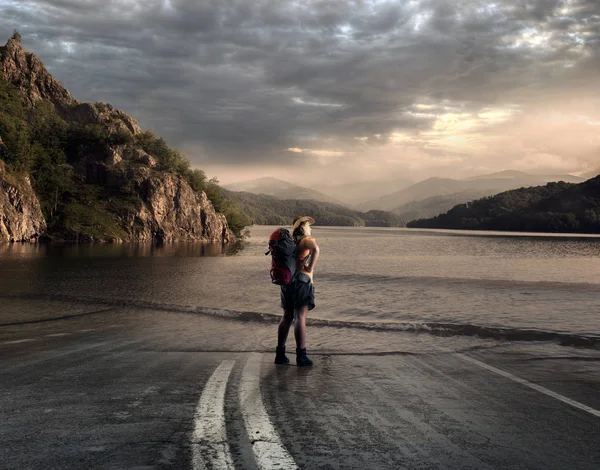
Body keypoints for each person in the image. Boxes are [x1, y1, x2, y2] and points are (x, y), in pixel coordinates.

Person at [275, 216, 320, 367]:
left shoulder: (290, 242)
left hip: (287, 283)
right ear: (302, 227)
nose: (311, 228)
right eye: (308, 225)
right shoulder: (306, 240)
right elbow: (316, 249)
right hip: (302, 282)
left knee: (287, 316)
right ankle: (301, 356)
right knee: (300, 317)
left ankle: (280, 354)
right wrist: (310, 268)